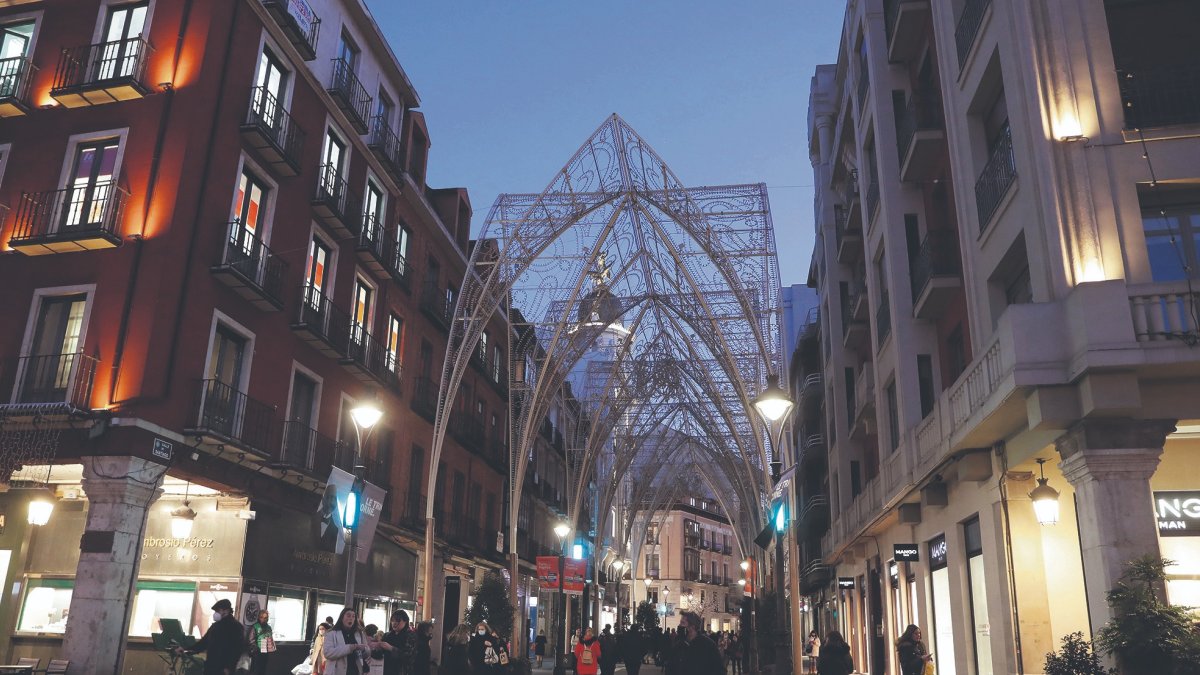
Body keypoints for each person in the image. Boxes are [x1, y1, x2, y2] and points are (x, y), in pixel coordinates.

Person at [178, 598, 244, 675]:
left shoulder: (235, 627)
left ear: (226, 611)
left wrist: (229, 667)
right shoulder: (215, 626)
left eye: (218, 611)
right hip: (210, 667)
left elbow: (237, 649)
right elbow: (203, 643)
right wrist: (186, 650)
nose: (215, 613)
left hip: (223, 670)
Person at [323, 607, 373, 675]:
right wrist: (351, 647)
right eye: (348, 615)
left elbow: (366, 653)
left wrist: (365, 649)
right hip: (337, 671)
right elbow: (328, 653)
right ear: (342, 618)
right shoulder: (331, 633)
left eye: (353, 616)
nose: (351, 618)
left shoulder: (359, 633)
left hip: (355, 670)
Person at [372, 610, 415, 675]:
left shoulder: (410, 635)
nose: (394, 623)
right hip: (386, 670)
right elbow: (379, 655)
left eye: (397, 620)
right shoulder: (387, 635)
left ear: (405, 621)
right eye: (392, 620)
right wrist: (375, 648)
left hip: (402, 671)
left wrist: (391, 648)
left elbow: (408, 656)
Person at [246, 609, 277, 675]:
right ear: (259, 617)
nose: (263, 619)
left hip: (265, 652)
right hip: (256, 653)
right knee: (255, 670)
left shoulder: (269, 627)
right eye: (261, 617)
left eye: (265, 618)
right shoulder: (255, 626)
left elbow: (270, 638)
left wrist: (271, 646)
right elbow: (251, 640)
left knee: (263, 669)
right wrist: (256, 649)